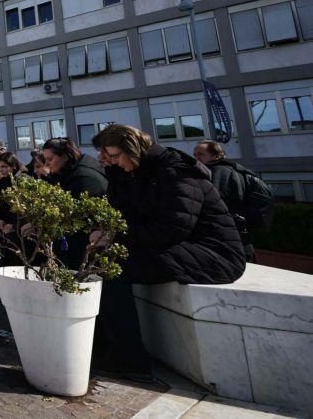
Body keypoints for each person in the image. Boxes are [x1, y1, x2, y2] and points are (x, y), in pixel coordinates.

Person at [92, 124, 246, 379]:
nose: (112, 162)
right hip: (179, 247)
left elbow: (172, 228)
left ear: (132, 148)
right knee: (99, 263)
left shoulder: (175, 170)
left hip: (213, 254)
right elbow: (126, 213)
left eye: (116, 156)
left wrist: (115, 236)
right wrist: (103, 229)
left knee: (111, 269)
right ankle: (107, 347)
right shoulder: (138, 171)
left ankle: (130, 360)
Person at [42, 137, 108, 268]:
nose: (47, 164)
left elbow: (84, 215)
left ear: (65, 157)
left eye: (50, 159)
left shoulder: (84, 177)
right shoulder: (65, 173)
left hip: (87, 242)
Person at [193, 140, 257, 261]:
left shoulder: (219, 173)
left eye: (201, 154)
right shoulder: (234, 169)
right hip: (241, 235)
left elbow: (214, 204)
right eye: (195, 155)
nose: (196, 157)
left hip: (229, 238)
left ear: (216, 156)